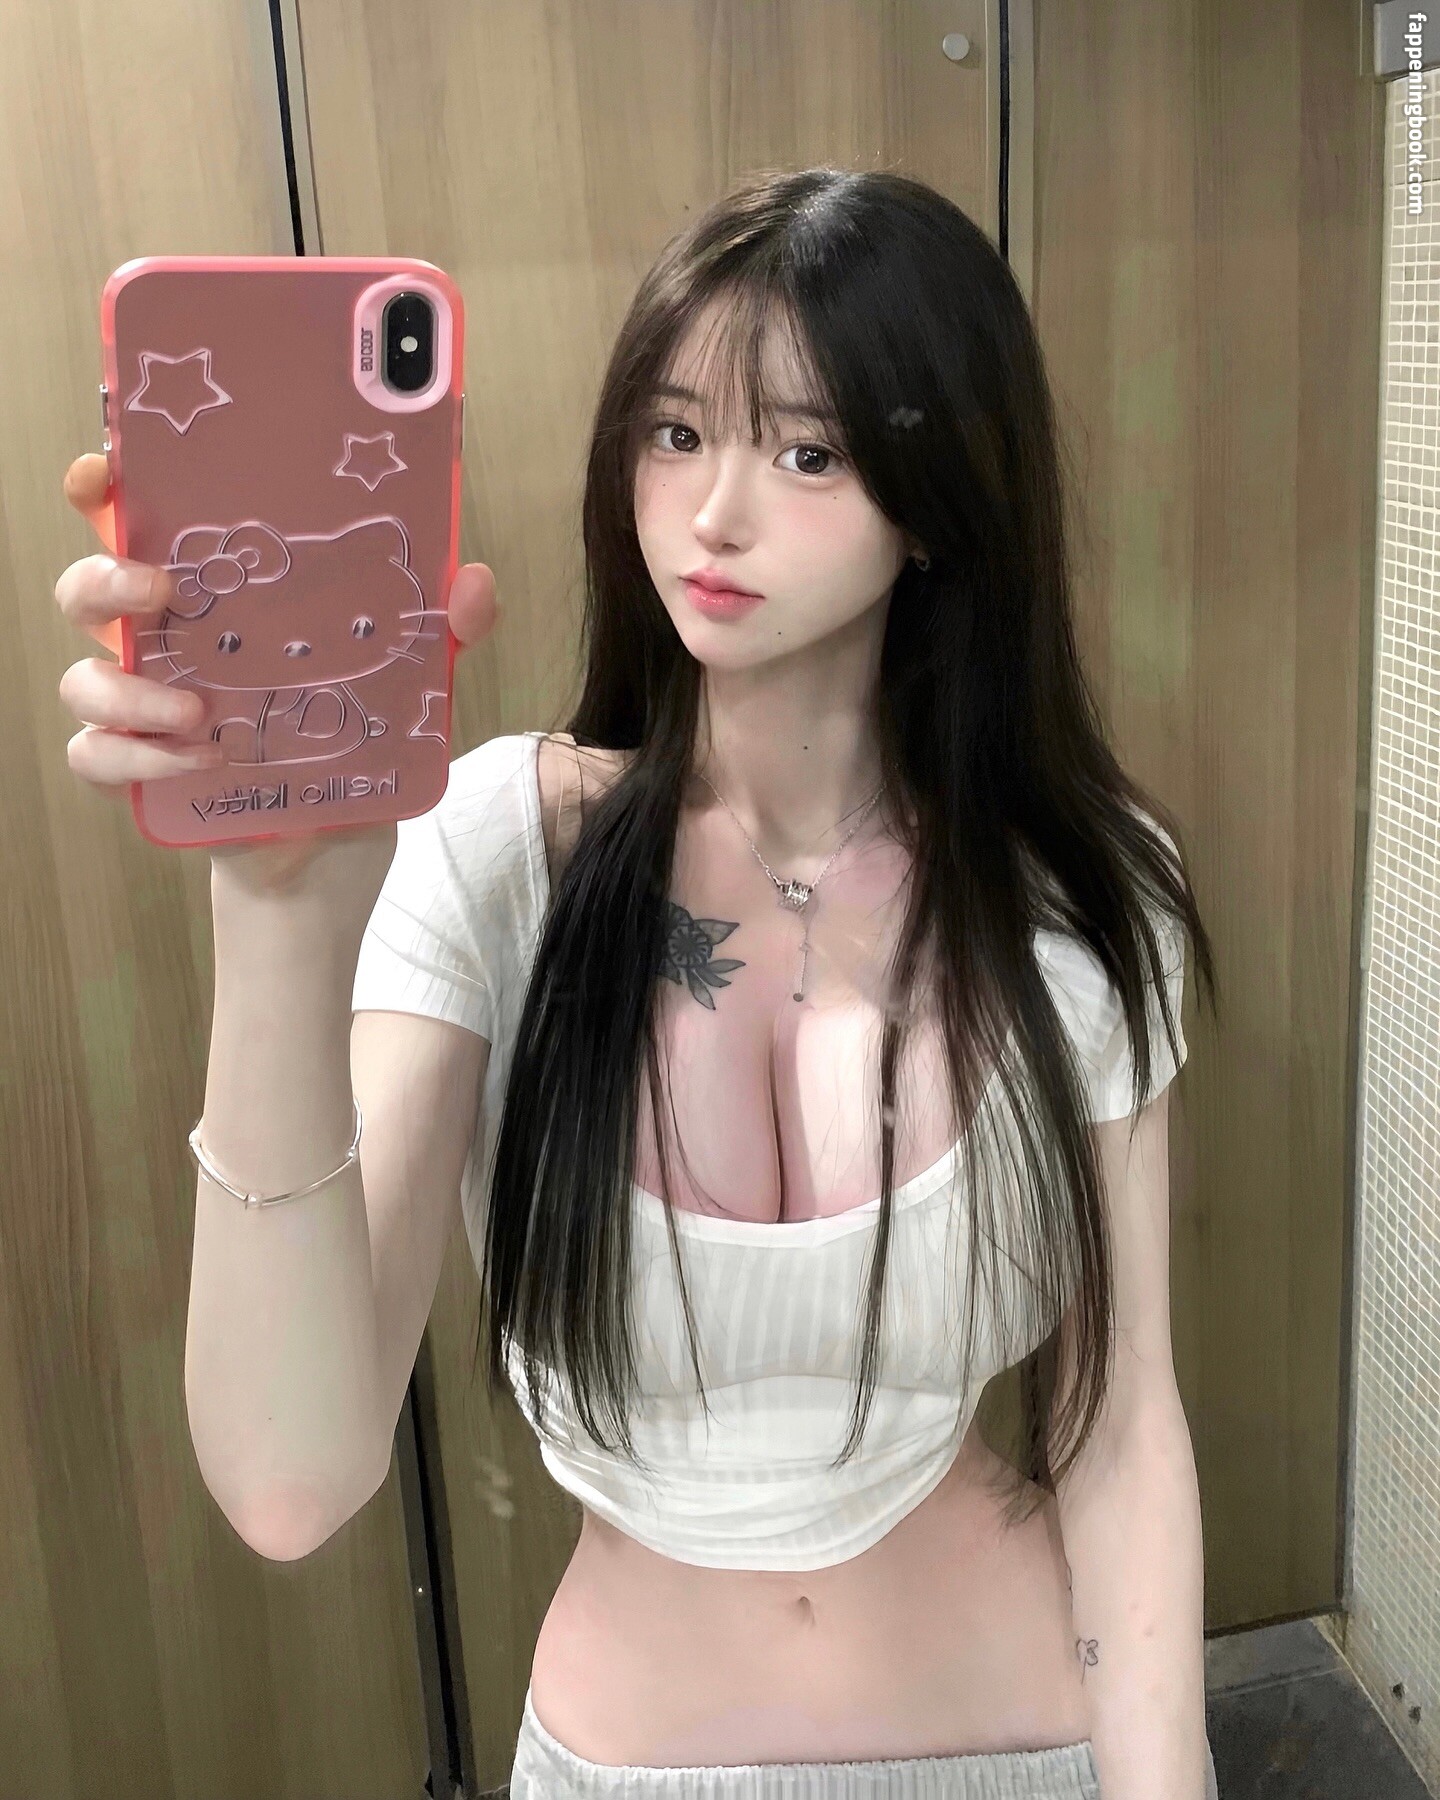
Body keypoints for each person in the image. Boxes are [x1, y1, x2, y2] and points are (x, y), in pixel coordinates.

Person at [56, 167, 1222, 1799]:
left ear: (938, 499)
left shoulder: (1079, 892)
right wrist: (275, 917)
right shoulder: (492, 854)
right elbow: (289, 1486)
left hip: (1030, 1740)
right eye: (674, 433)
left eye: (807, 453)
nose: (713, 514)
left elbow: (1122, 1421)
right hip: (633, 1763)